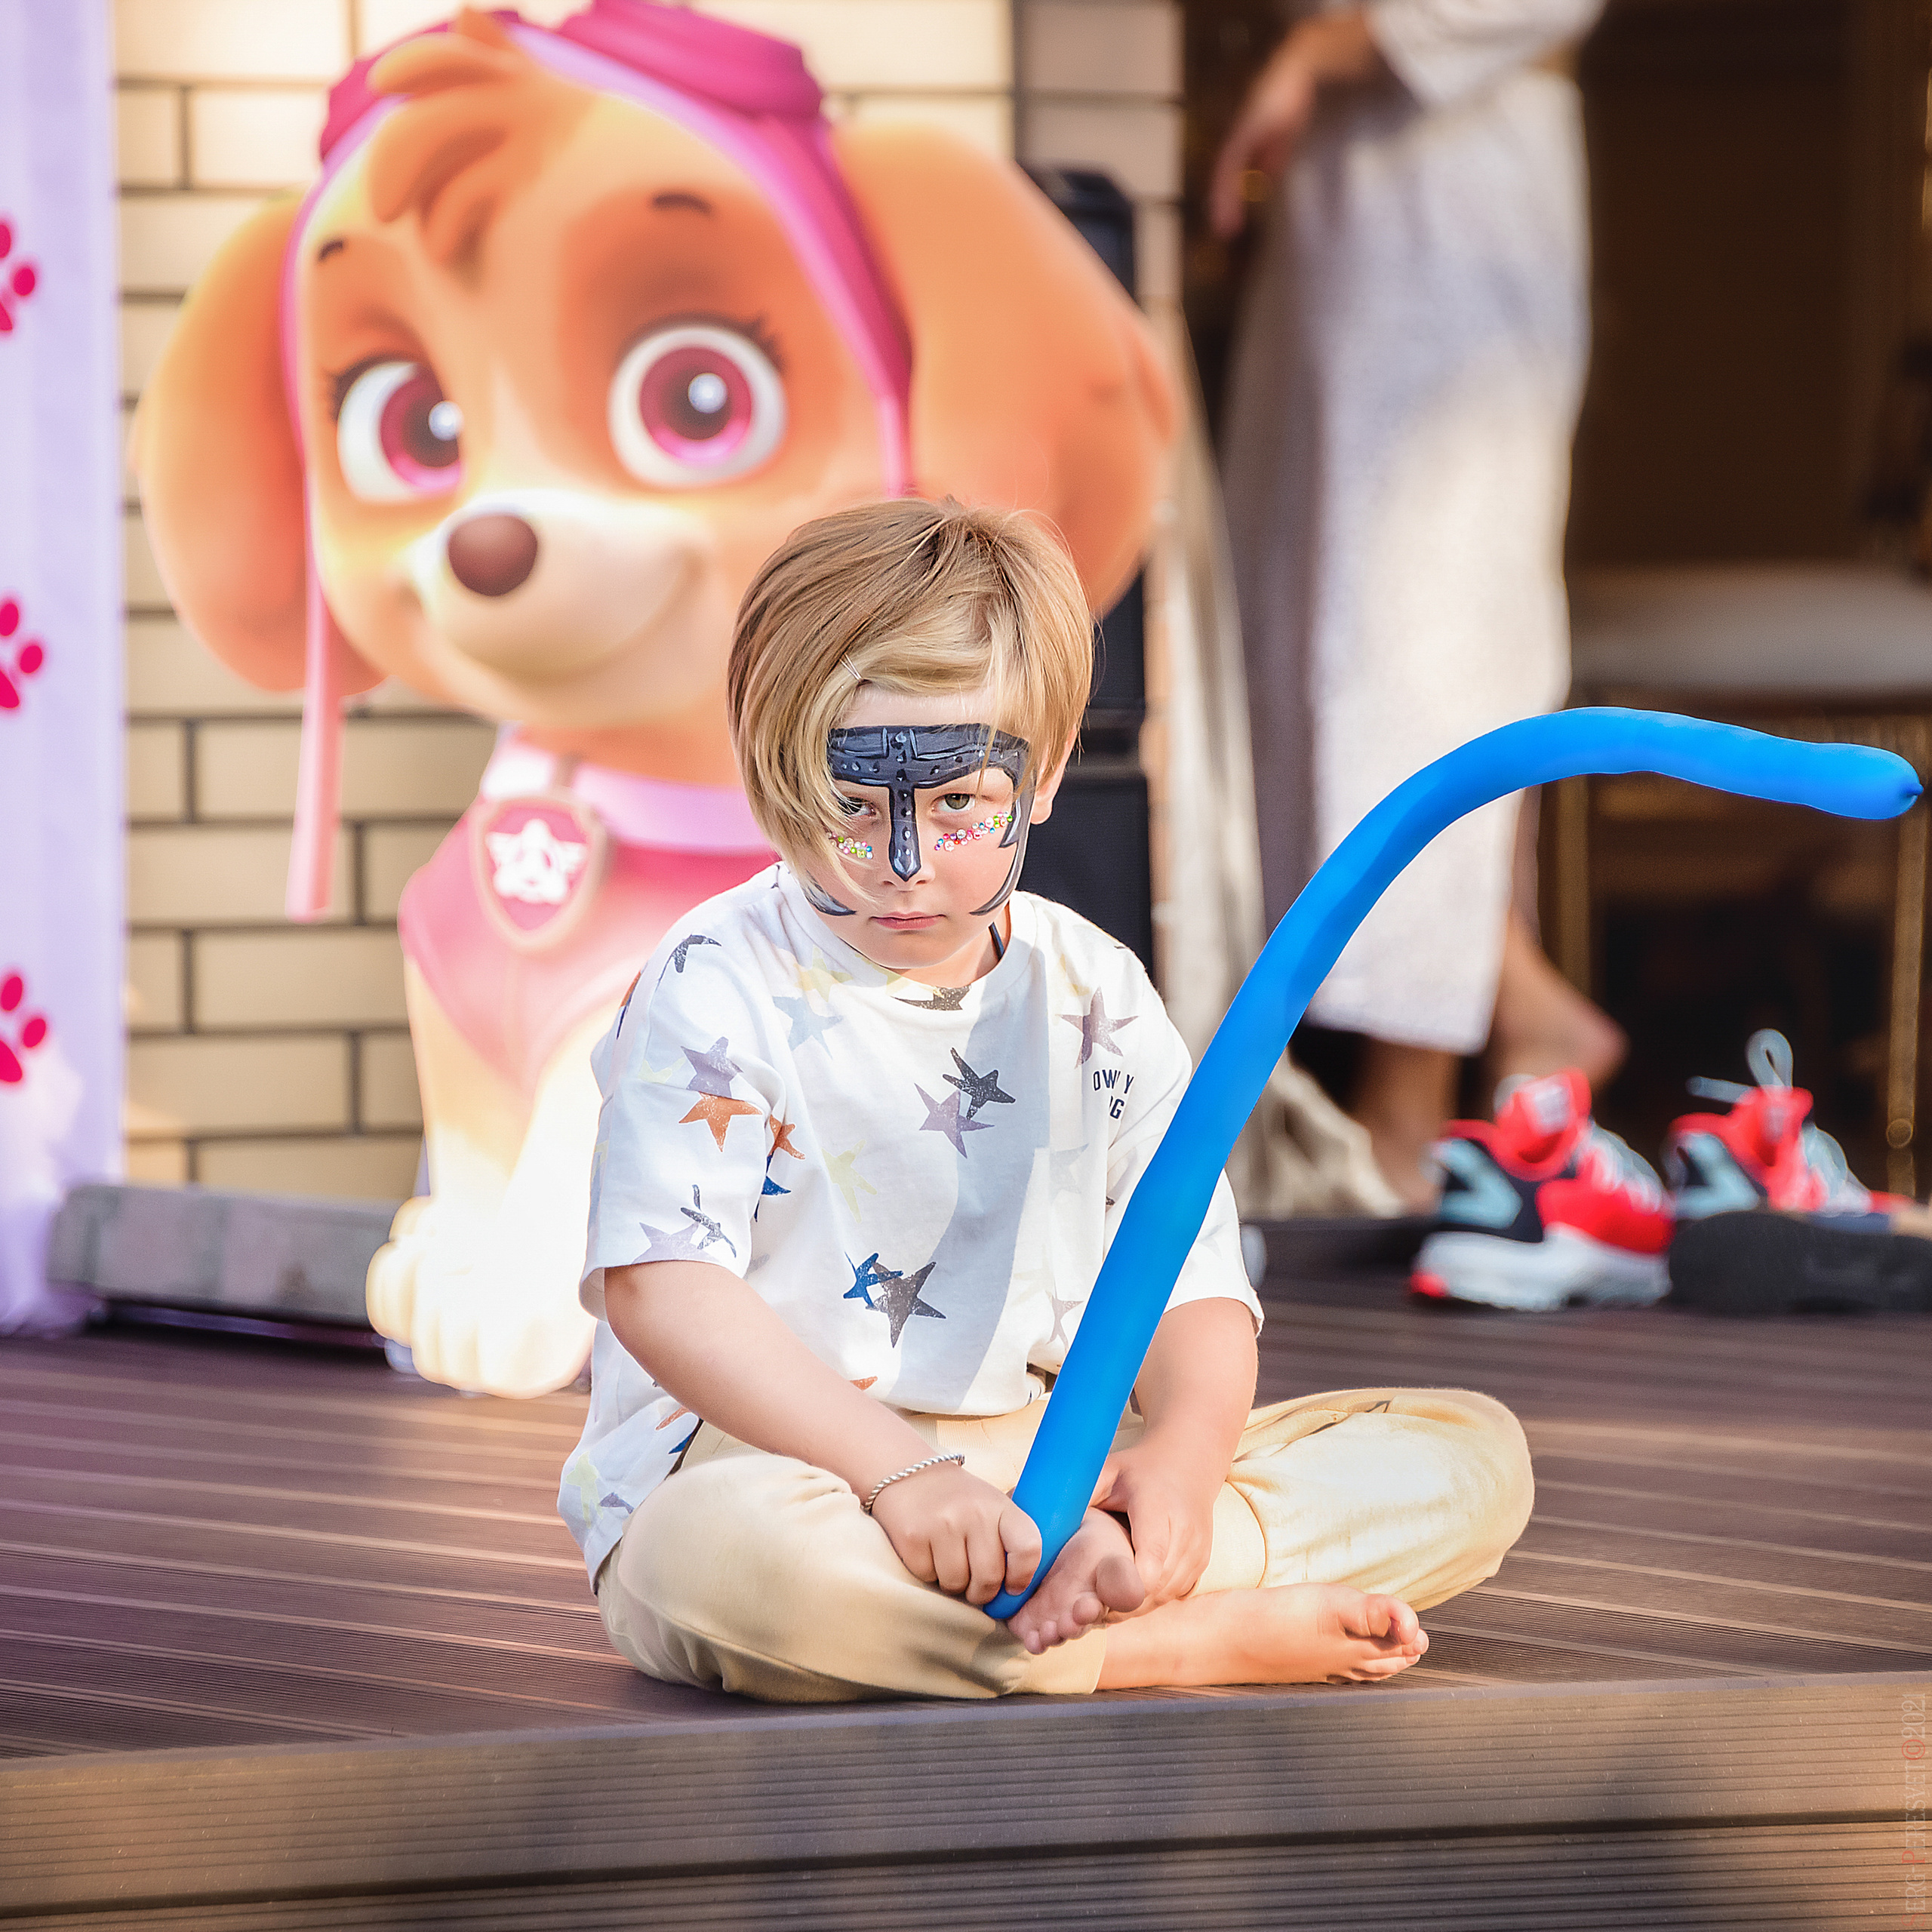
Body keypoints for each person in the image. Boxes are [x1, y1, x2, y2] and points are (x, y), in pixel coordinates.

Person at [558, 497, 1533, 1700]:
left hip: (1051, 1481)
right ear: (767, 772)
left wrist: (1177, 1467)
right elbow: (667, 1290)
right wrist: (901, 1481)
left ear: (1050, 768)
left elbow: (1191, 1276)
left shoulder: (1093, 986)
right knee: (716, 1563)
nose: (906, 862)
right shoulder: (712, 982)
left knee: (1472, 1456)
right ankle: (1158, 1644)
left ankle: (1109, 1584)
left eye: (963, 801)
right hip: (787, 1476)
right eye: (853, 806)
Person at [1213, 0, 1622, 1208]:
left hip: (1457, 183)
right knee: (1314, 642)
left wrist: (1317, 51)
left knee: (1424, 638)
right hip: (1356, 192)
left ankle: (1414, 1102)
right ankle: (1516, 1009)